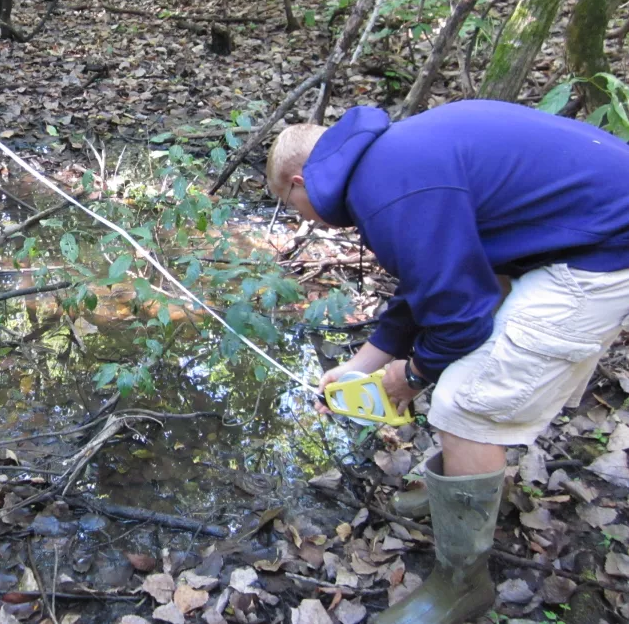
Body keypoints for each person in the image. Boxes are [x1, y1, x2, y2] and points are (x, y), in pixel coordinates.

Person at [266, 100, 629, 624]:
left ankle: (461, 585)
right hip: (589, 227)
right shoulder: (389, 160)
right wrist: (364, 365)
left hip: (606, 249)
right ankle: (465, 496)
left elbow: (461, 316)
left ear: (300, 182)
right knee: (471, 376)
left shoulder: (389, 190)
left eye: (289, 203)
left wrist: (410, 376)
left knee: (466, 402)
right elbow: (432, 281)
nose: (298, 215)